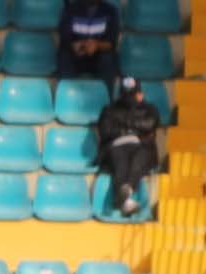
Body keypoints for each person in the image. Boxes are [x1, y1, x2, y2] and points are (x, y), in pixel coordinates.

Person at [96, 76, 161, 217]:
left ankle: (125, 194)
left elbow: (150, 124)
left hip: (142, 145)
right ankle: (126, 197)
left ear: (140, 94)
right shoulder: (110, 109)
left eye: (133, 94)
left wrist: (125, 124)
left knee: (138, 161)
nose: (130, 99)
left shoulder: (149, 109)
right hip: (116, 145)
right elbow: (105, 130)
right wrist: (133, 128)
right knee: (121, 164)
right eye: (126, 95)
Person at [55, 0, 123, 89]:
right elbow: (64, 38)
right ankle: (67, 91)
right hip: (75, 55)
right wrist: (75, 45)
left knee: (109, 59)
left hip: (98, 55)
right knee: (64, 56)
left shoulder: (110, 11)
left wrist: (97, 45)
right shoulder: (70, 10)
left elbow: (111, 42)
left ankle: (106, 94)